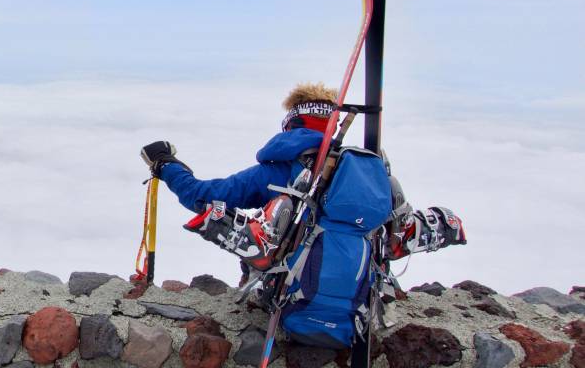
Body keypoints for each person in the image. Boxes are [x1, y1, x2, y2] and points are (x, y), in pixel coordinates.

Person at [141, 82, 466, 286]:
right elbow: (394, 238)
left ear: (291, 123)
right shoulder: (369, 174)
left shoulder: (275, 172)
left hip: (286, 295)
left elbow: (202, 197)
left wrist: (166, 165)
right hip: (358, 304)